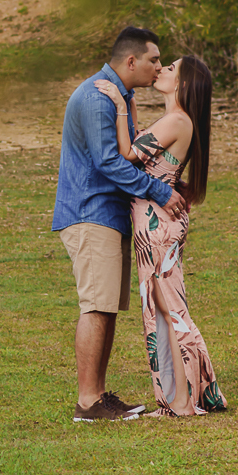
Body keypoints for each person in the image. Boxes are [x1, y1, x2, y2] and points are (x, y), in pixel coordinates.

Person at [53, 26, 187, 422]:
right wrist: (161, 192)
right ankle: (87, 402)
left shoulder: (118, 96)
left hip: (107, 216)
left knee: (106, 306)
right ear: (131, 61)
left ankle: (97, 397)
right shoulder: (97, 98)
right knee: (97, 306)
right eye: (154, 60)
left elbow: (133, 151)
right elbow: (110, 163)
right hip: (90, 213)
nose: (158, 66)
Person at [95, 54, 228, 417]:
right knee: (162, 310)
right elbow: (140, 144)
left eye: (170, 68)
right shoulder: (174, 120)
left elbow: (127, 154)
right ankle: (181, 398)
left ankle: (184, 401)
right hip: (153, 224)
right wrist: (130, 101)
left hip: (158, 226)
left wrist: (119, 103)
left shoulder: (177, 121)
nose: (162, 69)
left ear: (182, 84)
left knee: (170, 311)